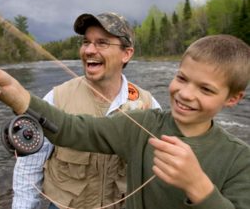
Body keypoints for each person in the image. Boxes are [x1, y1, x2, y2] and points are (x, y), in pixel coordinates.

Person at [0, 34, 250, 208]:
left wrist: (199, 188)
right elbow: (71, 130)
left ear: (233, 98)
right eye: (181, 78)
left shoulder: (240, 160)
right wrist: (14, 93)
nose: (185, 94)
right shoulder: (140, 123)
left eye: (206, 89)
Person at [13, 12, 162, 208]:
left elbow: (160, 176)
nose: (90, 50)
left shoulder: (149, 106)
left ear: (127, 54)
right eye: (86, 42)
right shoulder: (56, 98)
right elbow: (28, 168)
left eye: (102, 43)